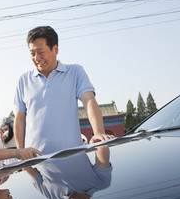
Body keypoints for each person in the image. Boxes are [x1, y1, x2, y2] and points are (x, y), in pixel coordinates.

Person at [14, 26, 112, 155]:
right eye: (32, 53)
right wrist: (20, 152)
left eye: (40, 52)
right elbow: (20, 118)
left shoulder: (75, 72)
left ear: (55, 49)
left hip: (72, 157)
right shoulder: (23, 80)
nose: (36, 58)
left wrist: (98, 132)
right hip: (36, 160)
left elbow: (88, 100)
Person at [25, 145, 112, 199]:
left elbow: (27, 167)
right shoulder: (101, 182)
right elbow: (102, 147)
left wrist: (21, 148)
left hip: (32, 140)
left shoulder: (50, 195)